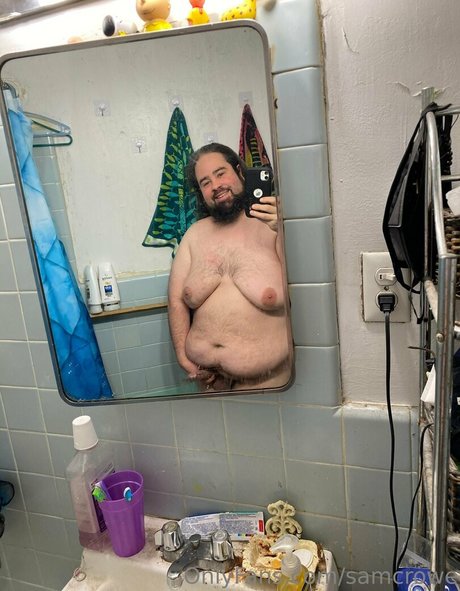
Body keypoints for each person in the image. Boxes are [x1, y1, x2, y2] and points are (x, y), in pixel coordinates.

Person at [167, 143, 291, 391]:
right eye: (205, 182)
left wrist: (286, 228)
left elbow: (306, 291)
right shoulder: (193, 235)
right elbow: (176, 300)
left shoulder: (275, 227)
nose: (215, 186)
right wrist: (183, 357)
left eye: (220, 173)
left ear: (240, 172)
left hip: (265, 382)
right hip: (209, 383)